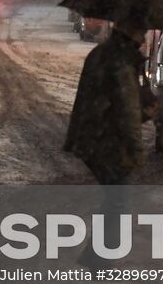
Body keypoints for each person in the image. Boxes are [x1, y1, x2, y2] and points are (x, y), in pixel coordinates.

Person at [64, 16, 150, 185]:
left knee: (113, 195)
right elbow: (128, 108)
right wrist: (136, 149)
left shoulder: (102, 53)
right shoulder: (122, 61)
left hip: (92, 136)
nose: (144, 38)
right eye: (142, 33)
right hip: (107, 140)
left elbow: (106, 98)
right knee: (116, 197)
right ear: (133, 33)